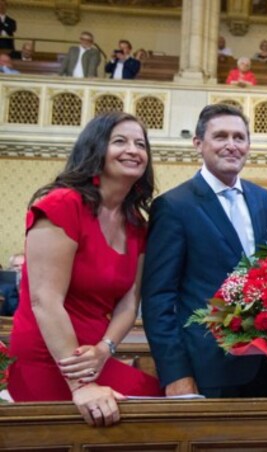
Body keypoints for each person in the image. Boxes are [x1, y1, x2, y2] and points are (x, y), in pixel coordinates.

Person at [7, 112, 162, 425]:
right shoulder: (61, 204)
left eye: (140, 144)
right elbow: (44, 300)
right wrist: (82, 386)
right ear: (96, 149)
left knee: (160, 405)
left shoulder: (136, 224)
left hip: (96, 356)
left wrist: (105, 349)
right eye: (119, 141)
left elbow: (130, 301)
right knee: (129, 420)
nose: (133, 149)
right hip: (49, 354)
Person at [141, 104, 267, 398]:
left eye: (239, 137)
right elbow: (158, 299)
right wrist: (176, 374)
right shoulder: (174, 206)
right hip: (205, 368)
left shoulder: (261, 198)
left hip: (262, 366)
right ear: (198, 143)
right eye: (221, 136)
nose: (232, 145)